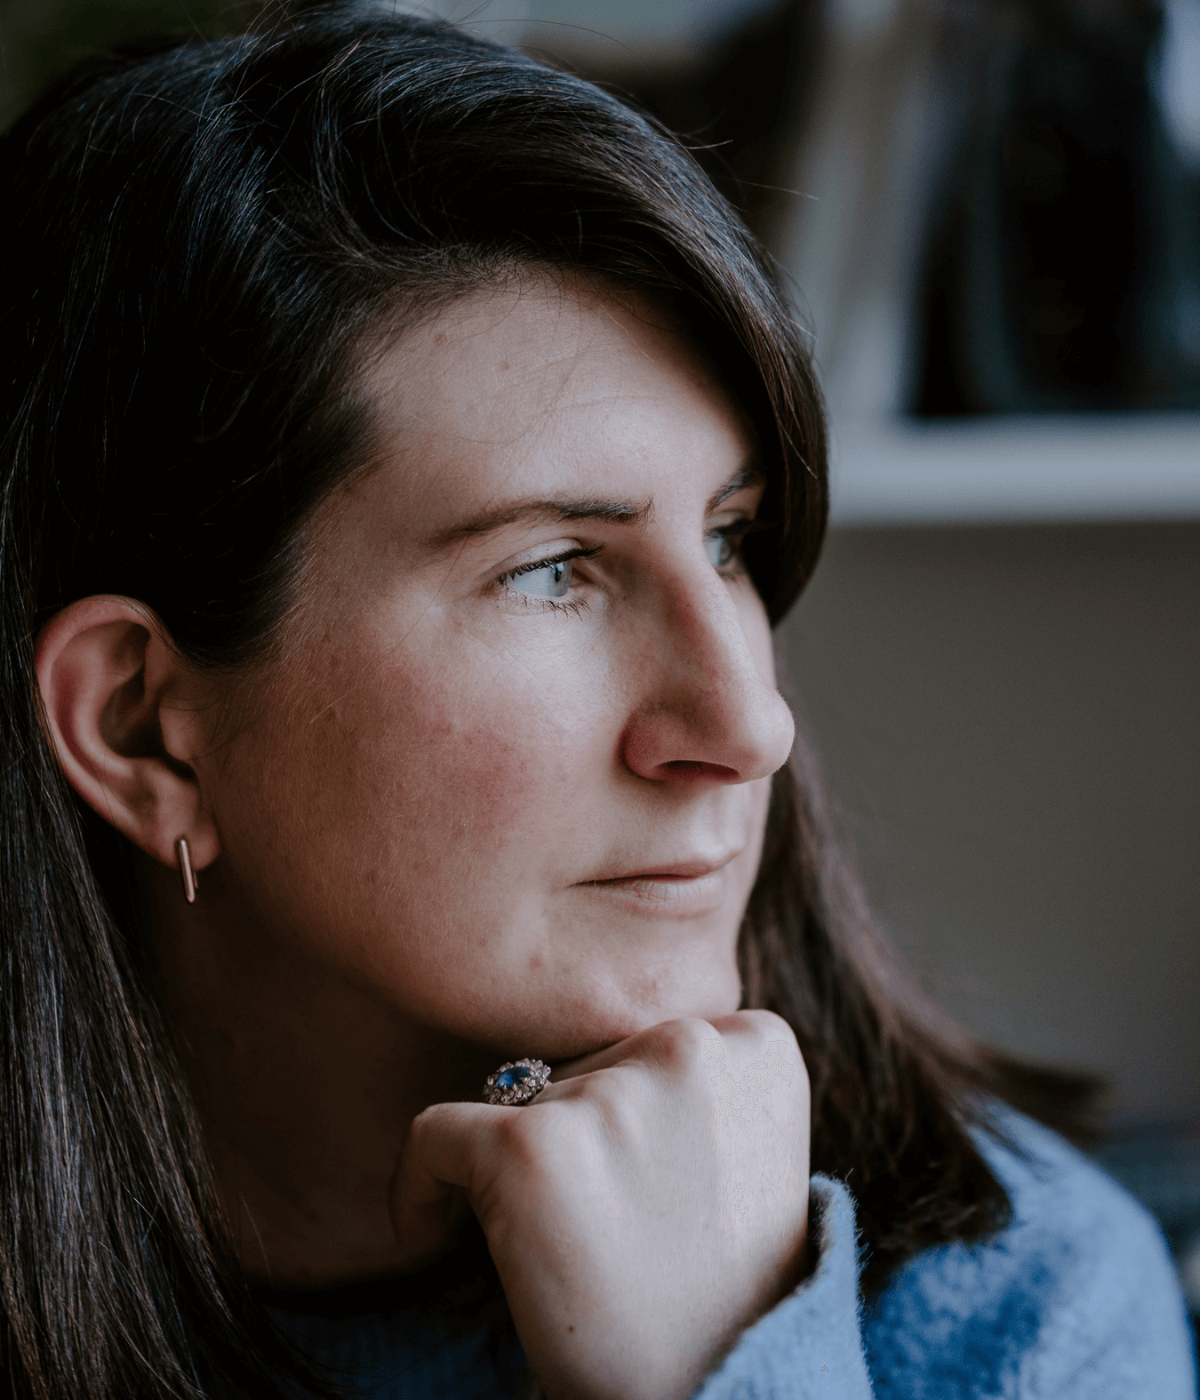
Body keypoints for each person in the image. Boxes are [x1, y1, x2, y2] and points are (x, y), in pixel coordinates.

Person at [0, 6, 1193, 1399]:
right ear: (144, 726)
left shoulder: (1020, 1307)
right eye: (555, 570)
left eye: (732, 539)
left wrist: (715, 1362)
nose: (749, 726)